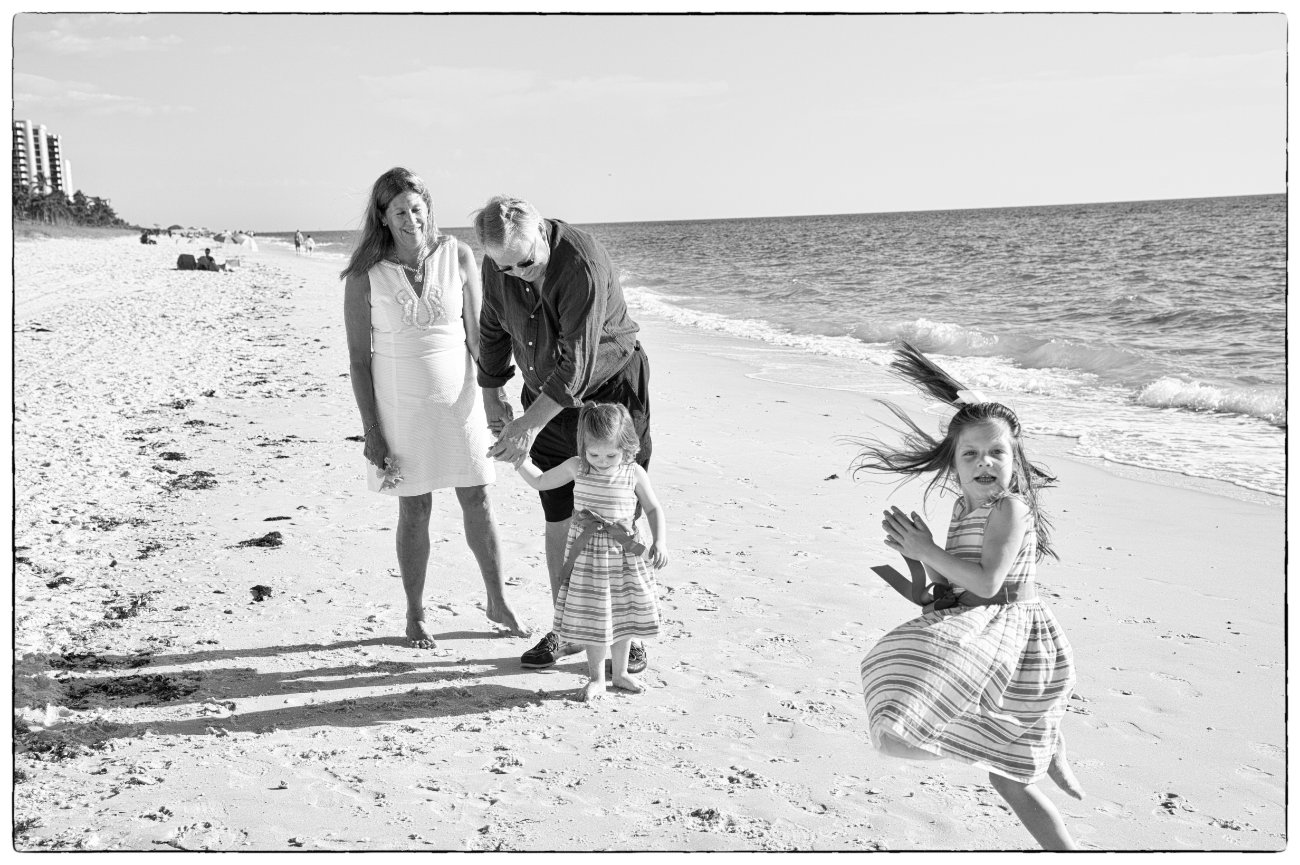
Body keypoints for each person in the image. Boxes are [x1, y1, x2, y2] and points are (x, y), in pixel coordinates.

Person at [853, 342, 1083, 851]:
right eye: (972, 454)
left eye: (997, 452)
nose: (985, 463)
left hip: (1017, 636)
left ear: (1015, 455)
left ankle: (1037, 752)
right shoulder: (962, 507)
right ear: (952, 462)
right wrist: (928, 579)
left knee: (1002, 775)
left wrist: (926, 548)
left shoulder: (1010, 508)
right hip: (980, 627)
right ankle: (1032, 737)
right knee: (895, 705)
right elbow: (963, 586)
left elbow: (988, 583)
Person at [342, 167, 527, 648]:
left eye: (418, 208)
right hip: (400, 408)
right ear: (383, 218)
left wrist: (495, 395)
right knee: (415, 508)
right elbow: (359, 362)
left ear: (429, 209)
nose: (411, 219)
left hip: (460, 401)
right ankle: (415, 613)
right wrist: (372, 431)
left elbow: (481, 337)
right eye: (400, 211)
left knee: (479, 498)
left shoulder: (458, 254)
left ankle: (497, 599)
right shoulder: (365, 274)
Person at [472, 195, 653, 674]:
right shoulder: (501, 264)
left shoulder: (581, 263)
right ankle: (570, 626)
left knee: (614, 514)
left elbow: (577, 366)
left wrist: (526, 425)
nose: (518, 274)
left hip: (609, 395)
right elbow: (492, 330)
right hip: (544, 392)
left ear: (541, 234)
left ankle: (623, 635)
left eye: (526, 263)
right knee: (561, 515)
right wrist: (493, 396)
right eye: (506, 267)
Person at [513, 403, 667, 701]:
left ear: (627, 446)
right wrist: (520, 460)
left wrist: (660, 541)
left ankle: (620, 673)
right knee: (594, 618)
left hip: (624, 556)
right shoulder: (577, 466)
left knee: (622, 616)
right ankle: (596, 677)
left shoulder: (632, 472)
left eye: (611, 454)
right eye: (594, 453)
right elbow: (541, 481)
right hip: (588, 558)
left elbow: (652, 507)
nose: (602, 461)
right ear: (583, 446)